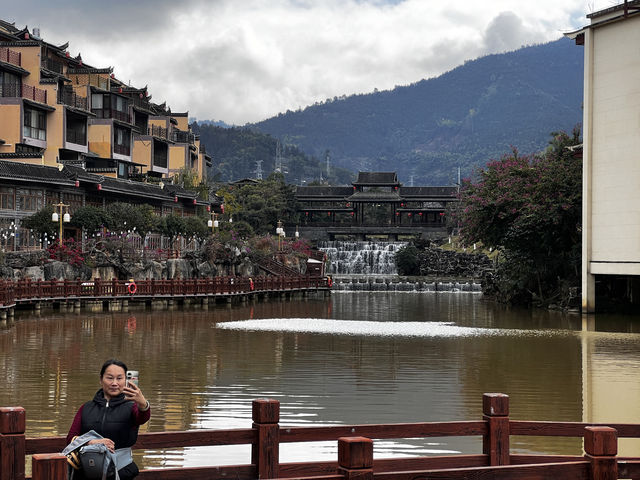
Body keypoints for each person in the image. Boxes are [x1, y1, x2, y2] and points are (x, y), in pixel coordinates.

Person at [66, 359, 150, 480]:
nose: (114, 383)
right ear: (101, 379)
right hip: (87, 471)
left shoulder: (132, 406)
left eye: (119, 378)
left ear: (125, 380)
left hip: (121, 471)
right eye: (110, 378)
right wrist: (91, 442)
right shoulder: (86, 407)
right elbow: (70, 439)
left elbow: (143, 418)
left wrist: (143, 404)